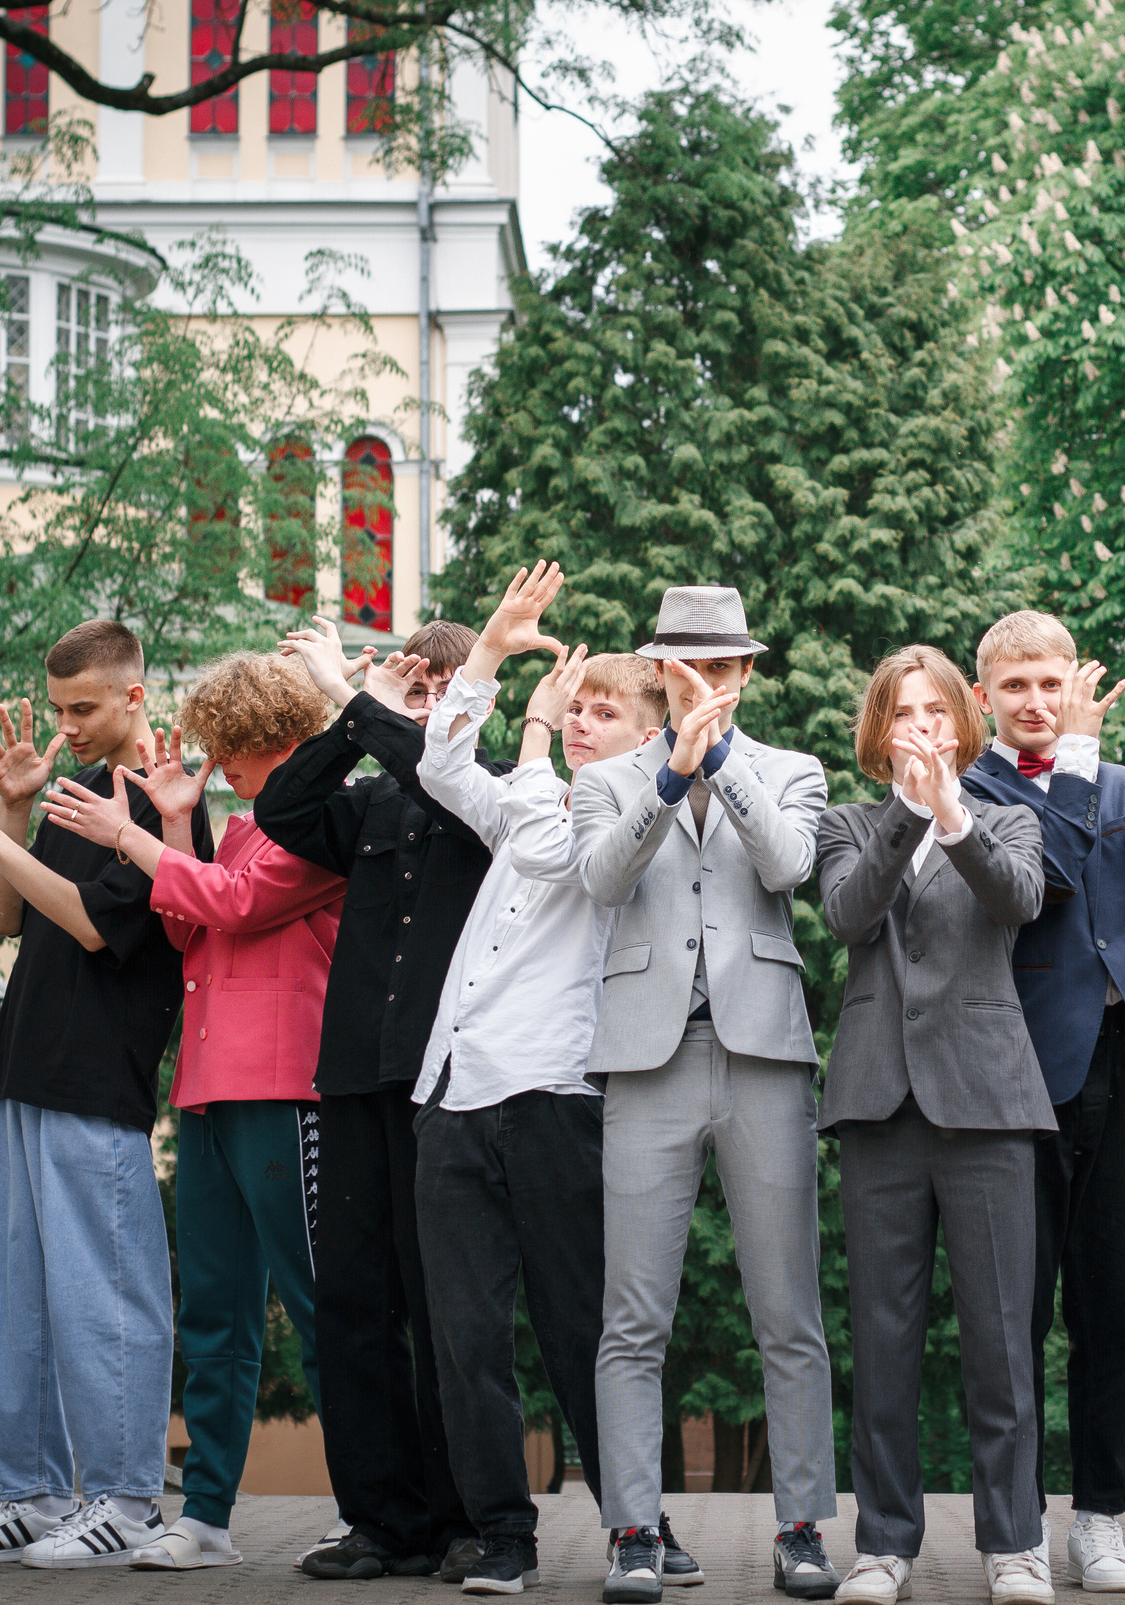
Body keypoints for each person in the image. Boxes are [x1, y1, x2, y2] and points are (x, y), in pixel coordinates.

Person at [0, 620, 212, 1568]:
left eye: (86, 708)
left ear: (133, 697)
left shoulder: (162, 805)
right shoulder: (71, 790)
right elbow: (7, 915)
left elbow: (88, 926)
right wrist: (15, 806)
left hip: (96, 1086)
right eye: (61, 706)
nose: (69, 725)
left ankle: (125, 1500)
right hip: (21, 1075)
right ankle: (33, 1498)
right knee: (18, 1299)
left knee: (104, 1298)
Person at [36, 655, 347, 1572]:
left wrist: (136, 837)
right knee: (214, 1314)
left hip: (285, 1090)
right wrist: (176, 822)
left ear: (271, 742)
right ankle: (205, 1515)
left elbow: (235, 903)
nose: (219, 765)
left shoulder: (310, 825)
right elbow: (187, 927)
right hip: (210, 1091)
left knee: (325, 1307)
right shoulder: (247, 826)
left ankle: (373, 1503)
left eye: (229, 751)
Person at [406, 566, 670, 1595]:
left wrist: (529, 733)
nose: (580, 722)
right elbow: (438, 763)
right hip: (454, 1092)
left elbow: (560, 856)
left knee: (580, 1330)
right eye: (578, 707)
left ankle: (636, 1524)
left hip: (555, 1097)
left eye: (606, 711)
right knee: (467, 1336)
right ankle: (502, 1536)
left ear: (649, 733)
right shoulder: (525, 803)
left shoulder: (636, 809)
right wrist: (490, 654)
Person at [572, 586, 838, 1604]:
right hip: (646, 1060)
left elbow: (790, 865)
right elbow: (600, 880)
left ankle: (803, 1527)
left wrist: (716, 763)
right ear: (655, 675)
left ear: (743, 676)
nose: (701, 685)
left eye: (718, 670)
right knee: (633, 1315)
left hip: (763, 1054)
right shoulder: (608, 778)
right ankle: (633, 1529)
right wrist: (667, 772)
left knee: (790, 1311)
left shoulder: (789, 769)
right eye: (681, 671)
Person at [258, 617, 523, 1582]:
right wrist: (347, 719)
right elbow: (284, 808)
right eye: (415, 689)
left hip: (444, 1086)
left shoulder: (495, 792)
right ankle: (379, 1519)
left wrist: (371, 706)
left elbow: (435, 770)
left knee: (443, 1303)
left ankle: (461, 1516)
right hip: (353, 1081)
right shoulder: (368, 796)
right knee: (354, 1304)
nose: (421, 705)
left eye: (438, 690)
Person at [959, 614, 1125, 1595]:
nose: (1038, 701)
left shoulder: (1112, 781)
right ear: (985, 696)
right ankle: (1014, 1533)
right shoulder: (973, 788)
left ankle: (1099, 1520)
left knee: (1119, 1313)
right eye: (1018, 685)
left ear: (1075, 684)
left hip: (1119, 1066)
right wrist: (1072, 759)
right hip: (1013, 1073)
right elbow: (1053, 877)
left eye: (1053, 683)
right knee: (1011, 1316)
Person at [815, 647, 1053, 1605]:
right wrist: (910, 811)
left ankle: (1015, 1544)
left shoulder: (1008, 819)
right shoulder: (846, 824)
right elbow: (846, 914)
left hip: (988, 1105)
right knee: (882, 1339)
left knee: (1001, 1341)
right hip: (879, 1107)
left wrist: (950, 812)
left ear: (963, 723)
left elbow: (1019, 900)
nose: (920, 724)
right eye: (902, 711)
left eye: (936, 710)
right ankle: (883, 1542)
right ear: (881, 731)